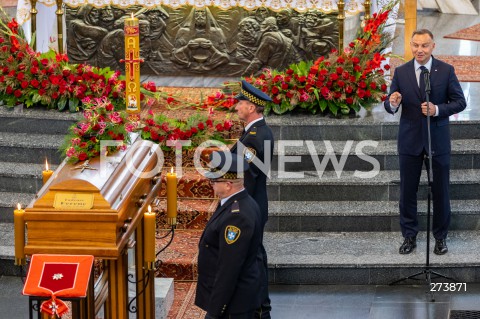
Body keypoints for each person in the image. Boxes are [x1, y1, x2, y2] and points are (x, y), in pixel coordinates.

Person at [384, 29, 466, 255]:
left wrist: (437, 109)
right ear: (410, 45)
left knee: (441, 192)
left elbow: (460, 102)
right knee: (407, 193)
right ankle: (409, 236)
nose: (419, 50)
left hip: (437, 141)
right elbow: (390, 104)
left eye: (424, 45)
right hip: (409, 141)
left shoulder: (445, 70)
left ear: (433, 47)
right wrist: (392, 102)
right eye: (415, 45)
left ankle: (440, 237)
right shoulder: (401, 72)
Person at [195, 151, 264, 319]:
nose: (211, 184)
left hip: (234, 304)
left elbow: (229, 267)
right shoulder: (238, 202)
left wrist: (216, 309)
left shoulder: (237, 217)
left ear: (228, 184)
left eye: (214, 180)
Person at [231, 80, 274, 318]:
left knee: (255, 257)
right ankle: (260, 303)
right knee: (254, 255)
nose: (236, 106)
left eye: (240, 103)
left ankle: (261, 306)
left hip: (250, 205)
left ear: (251, 107)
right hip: (254, 204)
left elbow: (245, 176)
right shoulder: (254, 132)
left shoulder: (256, 137)